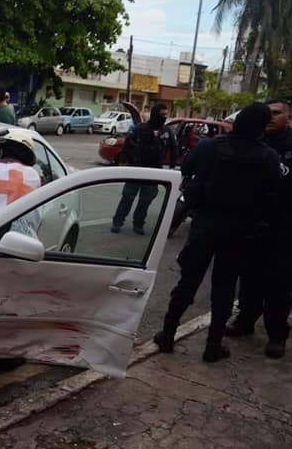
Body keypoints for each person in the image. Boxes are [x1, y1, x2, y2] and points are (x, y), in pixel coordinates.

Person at [153, 103, 280, 362]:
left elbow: (186, 169)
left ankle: (167, 334)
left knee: (187, 282)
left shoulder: (209, 147)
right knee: (223, 289)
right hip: (240, 231)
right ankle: (213, 345)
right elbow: (273, 193)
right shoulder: (268, 157)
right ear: (261, 127)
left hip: (205, 225)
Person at [227, 97, 292, 358]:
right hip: (253, 223)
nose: (271, 118)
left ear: (288, 117)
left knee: (278, 283)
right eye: (268, 113)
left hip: (283, 227)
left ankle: (277, 335)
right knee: (249, 276)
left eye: (277, 113)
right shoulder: (254, 143)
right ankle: (245, 321)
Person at [111, 103, 178, 234]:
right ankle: (117, 223)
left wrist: (172, 166)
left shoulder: (167, 131)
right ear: (155, 114)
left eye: (166, 115)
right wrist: (123, 162)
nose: (164, 117)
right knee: (127, 198)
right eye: (162, 114)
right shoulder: (139, 129)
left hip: (154, 173)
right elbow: (127, 146)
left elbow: (174, 149)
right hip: (136, 170)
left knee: (145, 201)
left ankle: (138, 224)